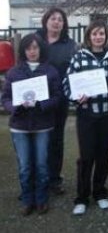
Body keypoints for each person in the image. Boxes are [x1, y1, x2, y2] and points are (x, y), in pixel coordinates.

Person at [1, 34, 61, 215]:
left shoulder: (50, 71)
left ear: (40, 49)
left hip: (43, 125)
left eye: (35, 47)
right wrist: (15, 107)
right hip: (19, 126)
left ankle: (41, 199)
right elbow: (5, 99)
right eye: (28, 48)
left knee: (42, 165)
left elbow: (58, 97)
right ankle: (27, 199)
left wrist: (42, 104)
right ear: (23, 50)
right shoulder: (13, 72)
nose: (32, 51)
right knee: (25, 166)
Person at [63, 20, 108, 215]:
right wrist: (76, 97)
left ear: (106, 35)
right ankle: (82, 197)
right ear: (88, 36)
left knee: (104, 155)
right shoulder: (79, 57)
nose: (98, 37)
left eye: (101, 33)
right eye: (94, 34)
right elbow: (67, 83)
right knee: (86, 157)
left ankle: (100, 192)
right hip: (86, 114)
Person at [36, 7, 77, 195]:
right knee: (36, 139)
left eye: (60, 19)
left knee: (56, 140)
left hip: (58, 99)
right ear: (45, 21)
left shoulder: (70, 45)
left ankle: (54, 180)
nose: (56, 22)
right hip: (35, 100)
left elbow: (75, 73)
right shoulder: (35, 41)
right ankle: (36, 181)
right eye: (53, 18)